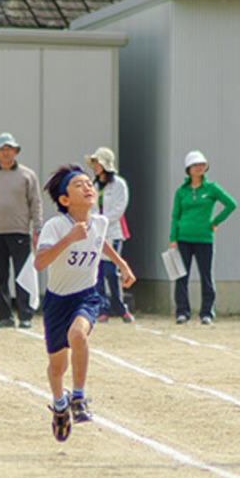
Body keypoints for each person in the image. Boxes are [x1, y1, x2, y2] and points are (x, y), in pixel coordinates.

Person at [36, 165, 136, 442]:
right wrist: (68, 239)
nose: (88, 187)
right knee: (57, 367)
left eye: (89, 183)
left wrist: (122, 264)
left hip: (86, 295)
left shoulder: (100, 222)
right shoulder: (55, 226)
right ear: (65, 200)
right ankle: (59, 405)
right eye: (78, 185)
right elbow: (40, 261)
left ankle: (78, 397)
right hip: (57, 301)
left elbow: (101, 242)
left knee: (78, 335)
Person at [0, 132, 43, 329]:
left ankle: (25, 315)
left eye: (9, 149)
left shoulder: (27, 175)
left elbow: (35, 204)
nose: (5, 153)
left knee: (23, 275)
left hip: (20, 231)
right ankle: (4, 316)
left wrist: (37, 230)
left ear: (15, 151)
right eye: (1, 149)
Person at [169, 149, 237, 325]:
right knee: (181, 277)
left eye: (202, 165)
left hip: (204, 239)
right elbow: (175, 215)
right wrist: (172, 238)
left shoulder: (211, 188)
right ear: (188, 169)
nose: (199, 168)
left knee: (206, 276)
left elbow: (231, 204)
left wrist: (215, 222)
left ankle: (207, 312)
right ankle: (182, 312)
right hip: (183, 238)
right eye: (195, 165)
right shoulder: (181, 191)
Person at [86, 147, 133, 323]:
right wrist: (93, 222)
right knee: (96, 272)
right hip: (96, 232)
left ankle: (120, 307)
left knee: (111, 271)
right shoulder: (92, 184)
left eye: (98, 162)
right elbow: (89, 206)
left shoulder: (119, 184)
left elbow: (119, 208)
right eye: (94, 163)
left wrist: (103, 221)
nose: (95, 166)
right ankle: (102, 308)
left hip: (113, 231)